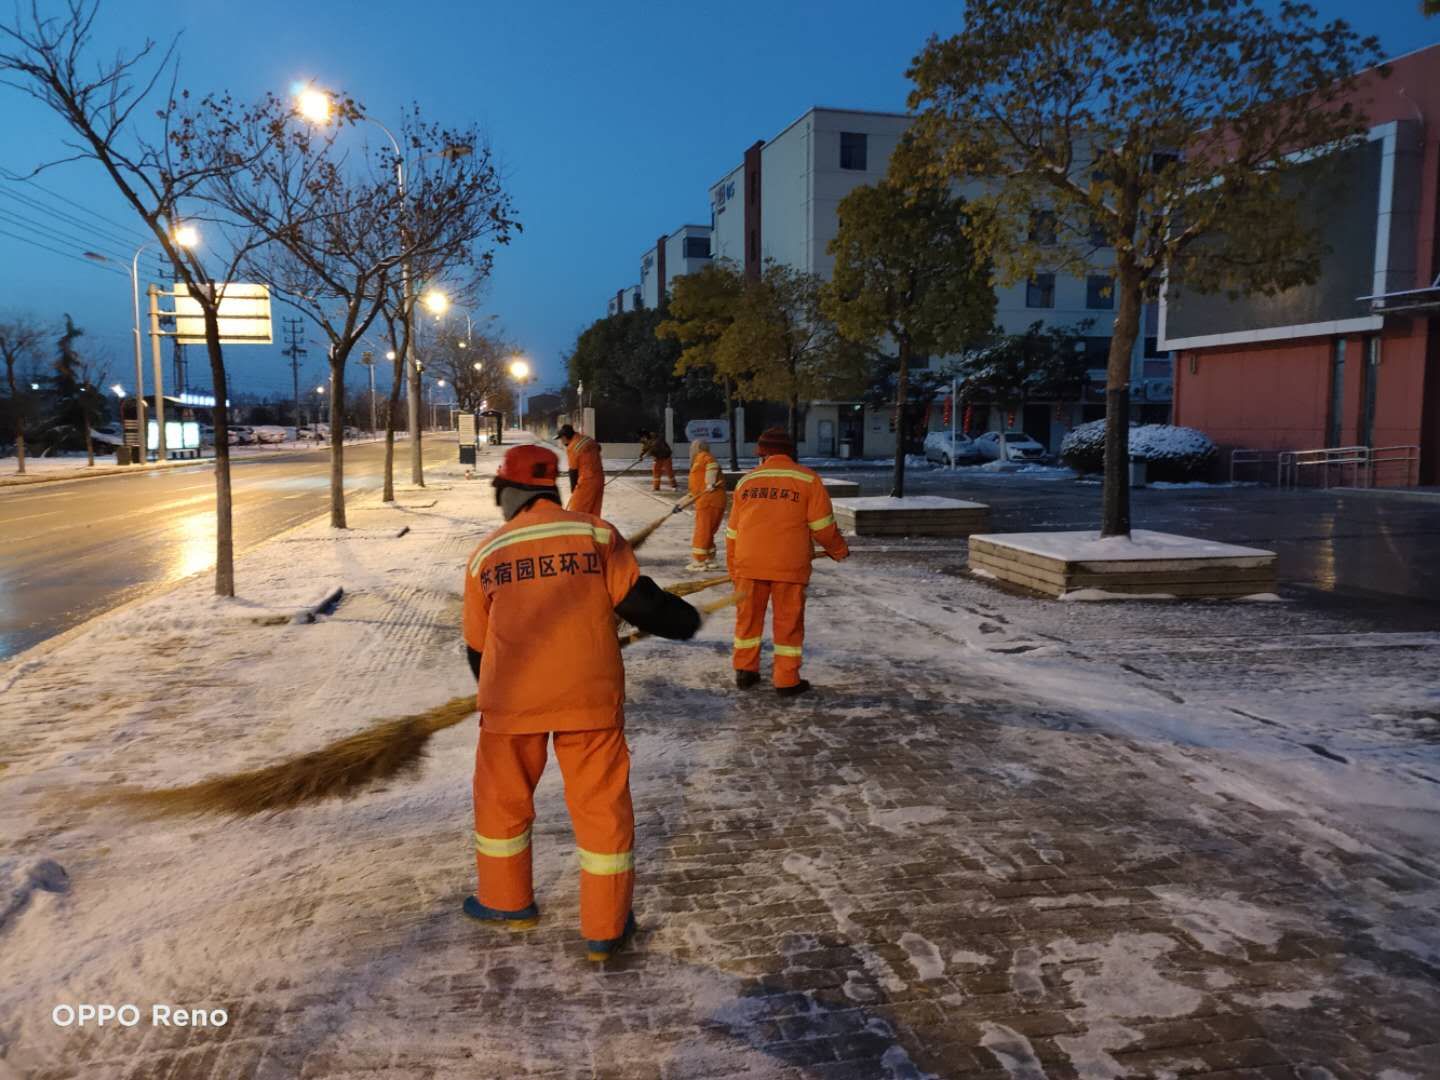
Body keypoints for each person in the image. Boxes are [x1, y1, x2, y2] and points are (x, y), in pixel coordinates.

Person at [462, 444, 701, 961]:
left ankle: (507, 902)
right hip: (588, 699)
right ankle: (604, 928)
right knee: (601, 809)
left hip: (511, 705)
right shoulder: (595, 535)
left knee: (502, 803)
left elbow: (477, 646)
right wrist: (685, 620)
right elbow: (640, 602)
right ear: (550, 489)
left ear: (510, 493)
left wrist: (496, 694)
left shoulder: (487, 553)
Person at [726, 426, 848, 697]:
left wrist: (734, 568)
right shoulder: (807, 480)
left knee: (747, 620)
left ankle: (745, 671)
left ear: (762, 454)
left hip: (749, 563)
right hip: (789, 565)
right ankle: (786, 680)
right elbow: (823, 527)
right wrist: (838, 550)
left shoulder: (746, 482)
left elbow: (732, 532)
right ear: (791, 452)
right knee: (788, 623)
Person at [686, 438, 726, 572]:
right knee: (708, 531)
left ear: (697, 447)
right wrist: (680, 504)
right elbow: (695, 489)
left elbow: (712, 467)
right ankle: (710, 558)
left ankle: (699, 561)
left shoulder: (704, 457)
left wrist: (710, 482)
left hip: (709, 501)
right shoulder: (700, 459)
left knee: (702, 530)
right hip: (712, 500)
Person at [557, 423, 604, 517]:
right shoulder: (588, 439)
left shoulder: (572, 447)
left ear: (565, 437)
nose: (561, 441)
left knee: (577, 511)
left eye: (561, 439)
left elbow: (573, 470)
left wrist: (574, 490)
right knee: (594, 511)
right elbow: (599, 448)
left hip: (586, 481)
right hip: (599, 478)